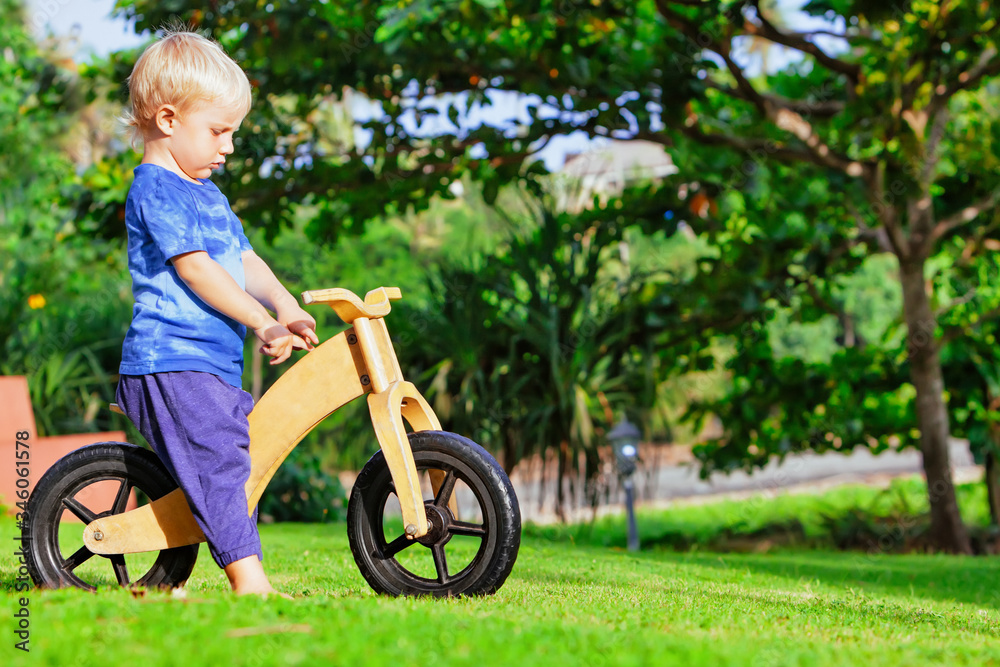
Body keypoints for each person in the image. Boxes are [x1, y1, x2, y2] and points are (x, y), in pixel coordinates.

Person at [113, 29, 319, 597]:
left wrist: (285, 303)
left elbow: (242, 259)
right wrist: (260, 322)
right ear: (169, 119)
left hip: (210, 364)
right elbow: (197, 269)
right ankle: (249, 583)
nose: (228, 147)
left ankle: (225, 563)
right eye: (219, 131)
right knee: (220, 467)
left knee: (225, 464)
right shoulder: (156, 189)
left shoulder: (209, 195)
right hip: (172, 360)